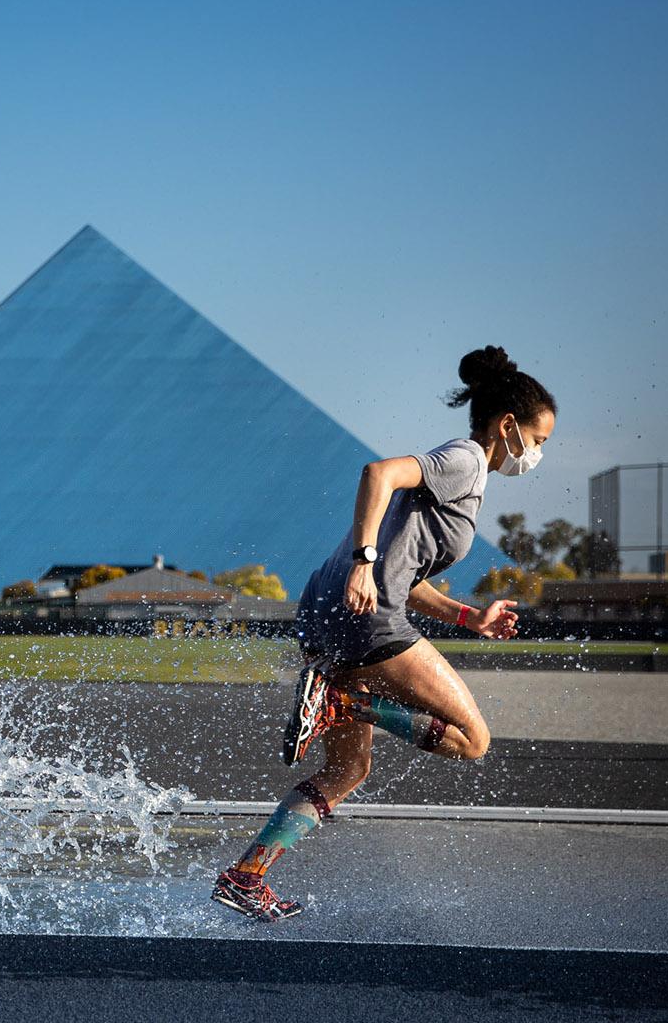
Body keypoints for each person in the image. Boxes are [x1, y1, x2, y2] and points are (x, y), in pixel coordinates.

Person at [212, 346, 557, 921]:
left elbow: (409, 576)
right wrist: (364, 560)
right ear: (507, 426)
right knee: (473, 741)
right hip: (362, 616)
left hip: (326, 612)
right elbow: (380, 473)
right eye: (539, 439)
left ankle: (246, 877)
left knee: (348, 770)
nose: (539, 453)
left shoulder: (466, 476)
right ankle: (349, 700)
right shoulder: (468, 460)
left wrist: (469, 618)